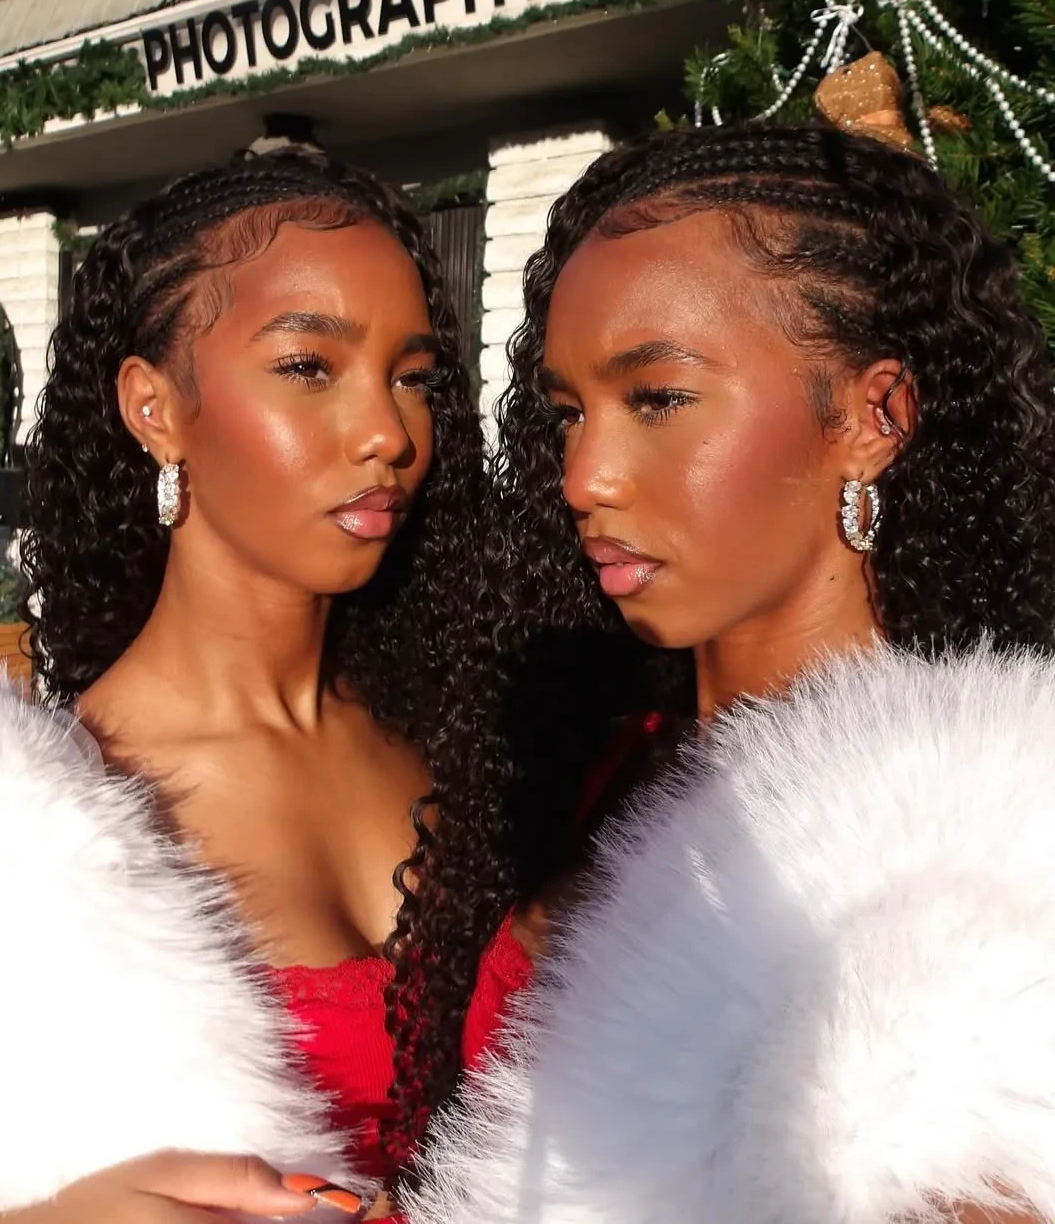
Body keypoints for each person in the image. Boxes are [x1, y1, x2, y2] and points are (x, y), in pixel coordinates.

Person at [411, 124, 1055, 1224]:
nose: (584, 476)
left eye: (658, 398)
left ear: (874, 417)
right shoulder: (605, 762)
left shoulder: (978, 839)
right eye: (568, 414)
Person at [0, 153, 534, 1222]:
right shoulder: (25, 829)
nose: (388, 433)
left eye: (413, 376)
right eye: (309, 366)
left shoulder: (475, 729)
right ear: (154, 407)